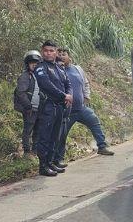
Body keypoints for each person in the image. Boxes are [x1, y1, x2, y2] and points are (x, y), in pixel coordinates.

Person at [53, 48, 115, 163]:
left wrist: (86, 97)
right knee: (62, 134)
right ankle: (59, 158)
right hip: (67, 111)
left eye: (64, 54)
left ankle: (102, 147)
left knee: (94, 121)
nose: (62, 56)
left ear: (69, 57)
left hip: (81, 108)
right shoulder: (56, 71)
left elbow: (85, 83)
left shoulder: (78, 69)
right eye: (60, 55)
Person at [32, 40, 71, 176]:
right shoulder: (40, 67)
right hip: (48, 106)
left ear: (56, 52)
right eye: (46, 51)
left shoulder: (59, 68)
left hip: (60, 107)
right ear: (42, 52)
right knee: (45, 137)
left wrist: (69, 94)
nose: (48, 53)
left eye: (51, 51)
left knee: (55, 136)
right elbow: (47, 85)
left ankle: (51, 162)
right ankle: (43, 166)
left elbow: (68, 83)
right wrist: (64, 95)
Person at [13, 50, 42, 156]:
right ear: (27, 64)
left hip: (39, 108)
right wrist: (28, 106)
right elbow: (21, 93)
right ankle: (26, 151)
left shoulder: (40, 76)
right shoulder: (25, 76)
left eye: (36, 63)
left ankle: (35, 151)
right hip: (30, 109)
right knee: (28, 130)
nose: (34, 65)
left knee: (38, 130)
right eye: (32, 63)